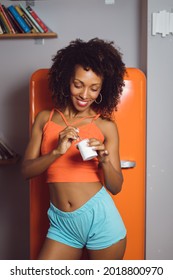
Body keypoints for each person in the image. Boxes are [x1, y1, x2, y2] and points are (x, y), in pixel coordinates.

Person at [22, 38, 127, 260]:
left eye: (93, 88)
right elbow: (25, 171)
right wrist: (56, 152)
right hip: (62, 226)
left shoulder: (105, 126)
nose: (84, 94)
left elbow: (116, 187)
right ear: (66, 80)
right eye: (78, 84)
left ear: (102, 89)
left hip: (100, 220)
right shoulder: (45, 119)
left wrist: (104, 160)